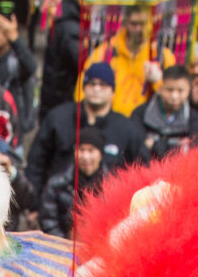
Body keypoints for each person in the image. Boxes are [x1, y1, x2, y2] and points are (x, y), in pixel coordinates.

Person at [22, 63, 134, 203]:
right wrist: (33, 205)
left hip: (108, 210)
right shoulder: (58, 118)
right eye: (92, 84)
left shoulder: (127, 128)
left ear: (113, 90)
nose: (97, 89)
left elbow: (138, 169)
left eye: (103, 85)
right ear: (84, 87)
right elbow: (36, 162)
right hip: (57, 209)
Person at [40, 135, 107, 237]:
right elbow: (48, 220)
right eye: (81, 150)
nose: (85, 156)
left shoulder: (111, 186)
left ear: (101, 154)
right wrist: (63, 244)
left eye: (91, 151)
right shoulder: (57, 184)